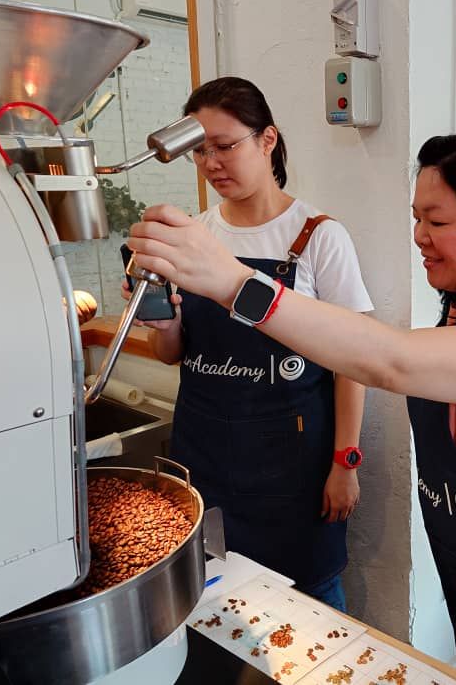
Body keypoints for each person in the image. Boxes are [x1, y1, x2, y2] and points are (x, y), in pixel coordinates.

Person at [128, 130, 456, 684]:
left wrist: (235, 282)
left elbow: (390, 361)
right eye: (417, 219)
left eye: (438, 221)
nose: (420, 237)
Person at [126, 77, 373, 611]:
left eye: (225, 145)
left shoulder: (318, 236)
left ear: (268, 140)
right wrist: (163, 323)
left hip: (297, 469)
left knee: (314, 603)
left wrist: (345, 462)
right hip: (207, 456)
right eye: (199, 152)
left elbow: (352, 363)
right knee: (218, 599)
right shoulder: (192, 236)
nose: (212, 163)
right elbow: (175, 356)